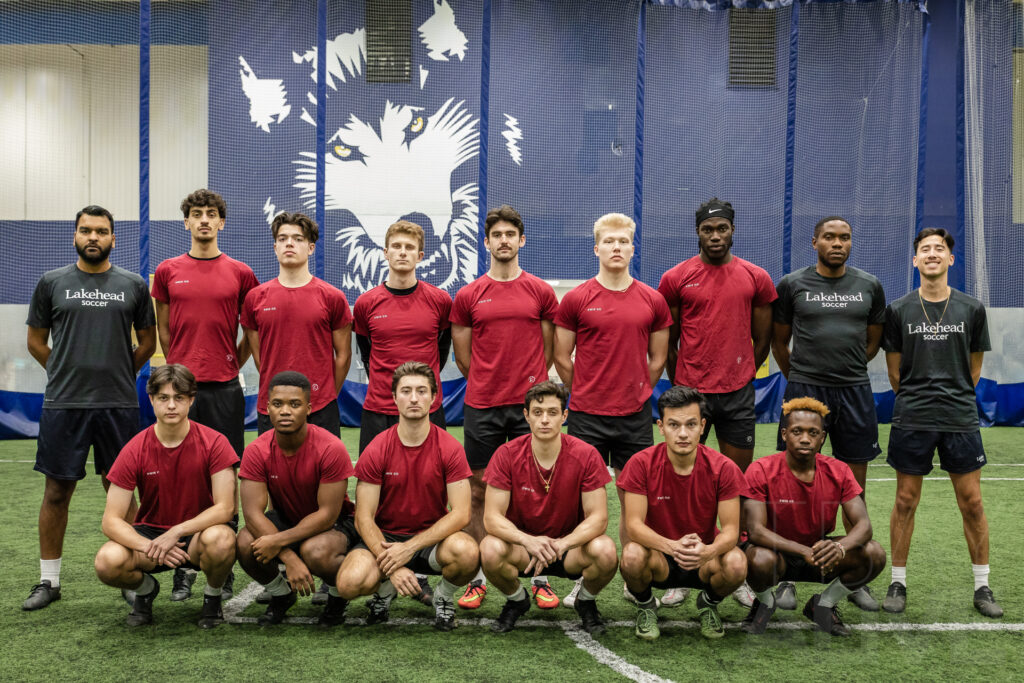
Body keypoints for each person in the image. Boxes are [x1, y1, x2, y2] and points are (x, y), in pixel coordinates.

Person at [23, 205, 156, 611]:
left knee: (120, 491)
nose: (93, 237)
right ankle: (49, 581)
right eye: (86, 230)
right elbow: (36, 341)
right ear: (75, 236)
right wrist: (65, 373)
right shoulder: (52, 283)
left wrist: (115, 373)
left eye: (101, 231)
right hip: (65, 404)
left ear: (113, 238)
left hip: (117, 405)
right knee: (57, 492)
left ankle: (132, 574)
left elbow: (147, 343)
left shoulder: (133, 285)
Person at [657, 198, 775, 608]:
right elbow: (668, 340)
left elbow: (763, 340)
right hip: (692, 395)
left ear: (732, 230)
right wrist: (684, 382)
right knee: (687, 481)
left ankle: (731, 565)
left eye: (722, 228)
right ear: (698, 233)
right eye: (708, 230)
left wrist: (742, 373)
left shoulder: (755, 277)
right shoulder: (676, 278)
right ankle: (681, 571)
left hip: (738, 394)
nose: (715, 236)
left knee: (735, 485)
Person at [881, 228, 1001, 617]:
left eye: (939, 249)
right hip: (912, 417)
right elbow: (895, 373)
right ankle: (897, 581)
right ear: (914, 260)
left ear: (950, 259)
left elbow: (974, 371)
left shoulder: (972, 309)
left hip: (959, 417)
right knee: (904, 501)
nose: (932, 254)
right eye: (924, 250)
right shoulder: (899, 310)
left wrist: (952, 396)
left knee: (972, 503)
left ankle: (982, 587)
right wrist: (919, 400)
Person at [553, 212, 671, 606]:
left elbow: (658, 359)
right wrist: (584, 390)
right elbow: (561, 356)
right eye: (610, 241)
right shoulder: (576, 299)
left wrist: (637, 391)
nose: (617, 247)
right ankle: (584, 571)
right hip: (587, 415)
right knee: (582, 501)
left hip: (634, 416)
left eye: (624, 241)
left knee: (633, 499)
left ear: (633, 248)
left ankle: (632, 576)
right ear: (597, 248)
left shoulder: (652, 299)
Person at [770, 215, 886, 612]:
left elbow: (872, 342)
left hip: (854, 390)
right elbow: (779, 341)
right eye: (830, 237)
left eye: (845, 237)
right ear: (814, 242)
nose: (838, 243)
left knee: (855, 487)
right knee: (790, 484)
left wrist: (847, 368)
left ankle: (850, 577)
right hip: (804, 389)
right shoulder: (792, 284)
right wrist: (803, 377)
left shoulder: (869, 285)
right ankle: (785, 574)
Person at [152, 188, 258, 602]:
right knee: (182, 472)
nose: (203, 221)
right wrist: (175, 366)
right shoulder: (166, 270)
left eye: (211, 214)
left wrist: (233, 360)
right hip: (180, 389)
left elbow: (250, 330)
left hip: (225, 388)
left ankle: (222, 561)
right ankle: (182, 566)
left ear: (221, 223)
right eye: (196, 214)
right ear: (186, 222)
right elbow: (164, 328)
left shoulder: (241, 273)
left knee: (224, 474)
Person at [450, 205, 558, 611]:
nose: (504, 240)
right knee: (479, 491)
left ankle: (539, 576)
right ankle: (479, 577)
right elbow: (463, 359)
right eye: (496, 234)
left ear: (521, 240)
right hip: (483, 406)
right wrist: (489, 379)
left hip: (529, 409)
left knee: (534, 493)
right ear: (487, 242)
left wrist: (529, 387)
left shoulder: (540, 292)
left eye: (511, 233)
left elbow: (547, 352)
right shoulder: (468, 295)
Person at [353, 220, 453, 603]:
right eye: (395, 246)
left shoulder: (439, 301)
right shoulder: (366, 304)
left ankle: (425, 564)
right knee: (376, 498)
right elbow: (366, 352)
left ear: (420, 255)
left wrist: (421, 394)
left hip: (429, 410)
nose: (402, 253)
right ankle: (386, 570)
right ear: (385, 252)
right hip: (378, 409)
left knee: (432, 493)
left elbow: (440, 354)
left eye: (409, 247)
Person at [335, 363, 478, 631]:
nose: (414, 398)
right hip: (385, 540)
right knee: (348, 584)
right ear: (394, 397)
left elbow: (461, 513)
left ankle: (443, 597)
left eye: (422, 391)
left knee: (468, 552)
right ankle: (385, 590)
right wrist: (392, 565)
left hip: (430, 541)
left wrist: (410, 548)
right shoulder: (377, 447)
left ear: (434, 397)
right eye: (407, 391)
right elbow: (363, 517)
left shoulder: (449, 447)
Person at [93, 364, 237, 628]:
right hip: (152, 537)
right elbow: (110, 521)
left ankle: (212, 598)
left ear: (191, 400)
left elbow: (225, 508)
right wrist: (150, 546)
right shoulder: (135, 448)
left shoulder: (215, 442)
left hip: (198, 534)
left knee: (222, 539)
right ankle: (146, 590)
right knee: (107, 561)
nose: (171, 405)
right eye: (163, 398)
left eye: (179, 398)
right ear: (151, 400)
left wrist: (176, 532)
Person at [480, 381, 617, 634]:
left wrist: (563, 544)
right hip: (524, 549)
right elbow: (491, 518)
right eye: (538, 412)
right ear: (526, 416)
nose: (545, 420)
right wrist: (528, 541)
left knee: (606, 550)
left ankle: (585, 601)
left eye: (553, 413)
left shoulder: (585, 454)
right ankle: (516, 600)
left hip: (569, 549)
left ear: (564, 416)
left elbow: (598, 518)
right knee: (489, 548)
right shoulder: (506, 454)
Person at [742, 397, 886, 636]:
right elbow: (755, 531)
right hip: (776, 553)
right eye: (797, 431)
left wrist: (839, 547)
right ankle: (765, 604)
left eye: (813, 432)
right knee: (757, 560)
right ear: (784, 434)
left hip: (818, 551)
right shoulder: (761, 469)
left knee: (874, 554)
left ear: (822, 437)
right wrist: (802, 551)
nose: (805, 438)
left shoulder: (838, 471)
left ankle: (823, 605)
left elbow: (864, 526)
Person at [617, 385, 748, 640]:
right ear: (661, 427)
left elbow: (732, 531)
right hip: (659, 555)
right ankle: (646, 606)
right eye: (674, 425)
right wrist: (672, 547)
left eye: (690, 424)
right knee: (631, 555)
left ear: (702, 426)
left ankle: (708, 604)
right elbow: (633, 525)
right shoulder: (641, 464)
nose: (683, 434)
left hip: (704, 557)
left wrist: (708, 551)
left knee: (737, 563)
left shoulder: (724, 468)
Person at [236, 371, 358, 627]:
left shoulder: (330, 448)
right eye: (278, 404)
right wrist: (288, 558)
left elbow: (327, 514)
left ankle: (336, 598)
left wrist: (279, 542)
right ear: (267, 407)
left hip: (333, 525)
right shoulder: (257, 450)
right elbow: (253, 514)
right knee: (246, 542)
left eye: (295, 404)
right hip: (287, 519)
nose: (285, 411)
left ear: (308, 408)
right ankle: (282, 595)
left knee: (315, 551)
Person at [241, 211, 352, 436]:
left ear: (311, 248)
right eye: (282, 239)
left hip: (321, 406)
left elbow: (343, 356)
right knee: (274, 471)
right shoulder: (255, 298)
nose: (289, 243)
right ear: (275, 247)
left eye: (298, 239)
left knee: (324, 471)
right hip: (272, 405)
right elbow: (260, 357)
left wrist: (325, 394)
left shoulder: (332, 297)